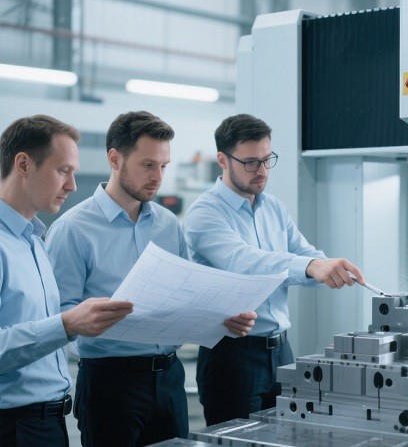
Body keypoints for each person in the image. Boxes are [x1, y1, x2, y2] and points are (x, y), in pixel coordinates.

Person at [45, 111, 257, 447]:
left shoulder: (168, 224)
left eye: (163, 166)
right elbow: (58, 317)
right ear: (115, 158)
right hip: (111, 383)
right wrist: (94, 320)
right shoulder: (73, 229)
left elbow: (188, 294)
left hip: (169, 379)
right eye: (147, 165)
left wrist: (221, 316)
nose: (158, 176)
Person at [183, 113, 366, 426]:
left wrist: (325, 265)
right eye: (251, 162)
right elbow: (246, 261)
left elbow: (303, 253)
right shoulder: (205, 213)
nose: (262, 171)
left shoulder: (273, 207)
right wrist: (311, 267)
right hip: (232, 356)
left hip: (281, 351)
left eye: (268, 160)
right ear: (222, 160)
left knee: (288, 436)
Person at [0, 115, 133, 447]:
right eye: (63, 171)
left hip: (48, 423)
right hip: (12, 427)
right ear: (23, 164)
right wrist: (67, 324)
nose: (72, 185)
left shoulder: (34, 241)